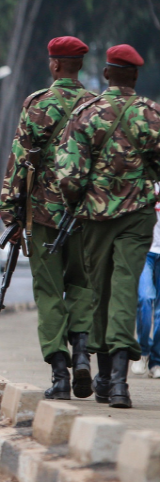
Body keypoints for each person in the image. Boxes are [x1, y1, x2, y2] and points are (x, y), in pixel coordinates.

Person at [56, 44, 158, 409]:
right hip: (137, 215)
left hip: (95, 219)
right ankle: (118, 383)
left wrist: (78, 203)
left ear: (106, 75)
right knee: (126, 289)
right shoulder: (150, 114)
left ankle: (104, 378)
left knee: (99, 291)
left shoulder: (86, 113)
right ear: (134, 75)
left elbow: (67, 175)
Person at [0, 36, 96, 401]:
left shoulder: (37, 104)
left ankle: (60, 374)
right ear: (79, 66)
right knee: (83, 288)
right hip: (87, 217)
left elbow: (19, 160)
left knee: (49, 292)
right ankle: (83, 354)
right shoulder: (96, 106)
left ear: (55, 65)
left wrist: (10, 212)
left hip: (43, 216)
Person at [135, 185, 160, 378]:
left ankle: (156, 360)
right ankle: (142, 351)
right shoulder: (144, 173)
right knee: (145, 298)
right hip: (145, 249)